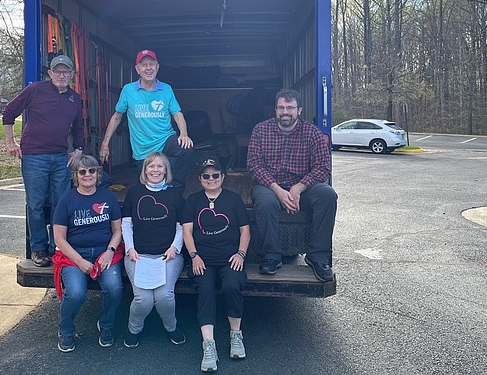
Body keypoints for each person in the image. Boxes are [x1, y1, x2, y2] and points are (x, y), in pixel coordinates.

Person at [3, 54, 85, 267]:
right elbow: (9, 112)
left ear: (72, 75)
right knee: (36, 204)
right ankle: (38, 249)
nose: (61, 75)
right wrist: (10, 143)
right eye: (57, 71)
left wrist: (78, 149)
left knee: (61, 203)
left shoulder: (75, 99)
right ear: (50, 73)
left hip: (60, 157)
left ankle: (56, 247)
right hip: (33, 156)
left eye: (66, 71)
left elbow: (78, 127)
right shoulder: (35, 90)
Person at [246, 88, 337, 281]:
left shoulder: (312, 132)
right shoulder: (260, 130)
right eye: (281, 107)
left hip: (302, 188)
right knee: (265, 202)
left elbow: (323, 167)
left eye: (290, 107)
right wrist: (277, 189)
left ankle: (318, 256)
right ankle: (271, 256)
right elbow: (254, 165)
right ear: (275, 110)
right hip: (270, 187)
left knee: (328, 195)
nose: (285, 112)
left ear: (299, 110)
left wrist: (299, 187)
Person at [182, 158, 251, 373]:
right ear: (200, 179)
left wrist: (241, 254)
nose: (211, 179)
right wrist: (194, 256)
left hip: (230, 257)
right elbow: (187, 231)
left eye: (215, 175)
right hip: (202, 259)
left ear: (222, 177)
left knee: (231, 286)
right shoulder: (192, 201)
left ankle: (235, 336)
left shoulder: (233, 199)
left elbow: (245, 230)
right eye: (206, 176)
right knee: (205, 291)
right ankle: (208, 346)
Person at [52, 155, 124, 352]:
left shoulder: (108, 197)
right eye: (82, 171)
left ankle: (106, 325)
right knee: (75, 293)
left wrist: (109, 251)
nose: (87, 175)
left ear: (98, 174)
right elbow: (59, 238)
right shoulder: (66, 200)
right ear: (75, 175)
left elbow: (118, 231)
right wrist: (80, 261)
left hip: (105, 252)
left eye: (92, 170)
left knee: (114, 288)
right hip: (74, 255)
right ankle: (65, 330)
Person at [99, 49, 193, 187]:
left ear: (157, 67)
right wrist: (105, 143)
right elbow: (116, 118)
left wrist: (184, 134)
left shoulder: (166, 89)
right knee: (146, 187)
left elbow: (177, 114)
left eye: (152, 64)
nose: (148, 68)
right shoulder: (128, 90)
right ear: (137, 69)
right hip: (143, 149)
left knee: (185, 148)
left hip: (165, 140)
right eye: (144, 65)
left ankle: (176, 187)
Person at [121, 151, 186, 348]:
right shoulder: (134, 193)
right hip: (138, 255)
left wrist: (175, 247)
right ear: (145, 169)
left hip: (167, 256)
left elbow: (181, 226)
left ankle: (171, 326)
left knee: (164, 296)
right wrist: (130, 249)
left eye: (160, 166)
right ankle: (134, 329)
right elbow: (126, 224)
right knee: (143, 299)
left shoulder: (175, 193)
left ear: (166, 170)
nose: (155, 170)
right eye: (151, 166)